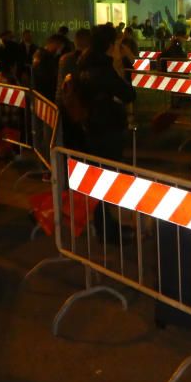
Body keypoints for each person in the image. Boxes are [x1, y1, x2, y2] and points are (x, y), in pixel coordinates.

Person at [75, 25, 137, 239]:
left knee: (98, 177)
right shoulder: (103, 68)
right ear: (109, 45)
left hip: (91, 126)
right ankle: (107, 230)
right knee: (106, 179)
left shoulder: (83, 63)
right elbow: (128, 93)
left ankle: (103, 224)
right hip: (107, 128)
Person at [31, 34, 65, 103]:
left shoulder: (41, 54)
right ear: (54, 43)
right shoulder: (45, 56)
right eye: (59, 45)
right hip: (45, 93)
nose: (59, 48)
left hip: (41, 93)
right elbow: (44, 75)